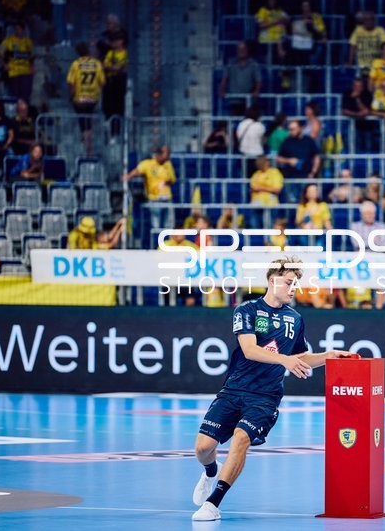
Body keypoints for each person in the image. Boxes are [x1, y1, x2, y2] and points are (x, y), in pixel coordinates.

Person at [190, 256, 355, 521]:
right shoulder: (247, 310)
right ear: (272, 281)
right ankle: (210, 471)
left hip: (265, 397)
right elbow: (250, 349)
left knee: (241, 438)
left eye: (296, 283)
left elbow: (301, 356)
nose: (293, 288)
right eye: (289, 282)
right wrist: (285, 359)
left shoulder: (295, 319)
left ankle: (213, 503)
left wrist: (329, 355)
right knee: (202, 448)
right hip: (234, 390)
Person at [123, 145, 177, 235]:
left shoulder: (168, 164)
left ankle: (168, 244)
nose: (167, 158)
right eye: (166, 155)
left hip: (167, 198)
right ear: (159, 154)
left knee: (169, 225)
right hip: (154, 198)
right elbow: (137, 170)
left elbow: (173, 179)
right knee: (156, 226)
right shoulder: (148, 164)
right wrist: (128, 176)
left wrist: (167, 182)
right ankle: (156, 245)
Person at [66, 42, 105, 155]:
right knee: (89, 123)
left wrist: (71, 96)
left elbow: (71, 83)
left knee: (83, 123)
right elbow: (102, 82)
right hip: (92, 98)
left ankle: (86, 145)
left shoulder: (75, 64)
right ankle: (88, 146)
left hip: (79, 98)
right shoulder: (96, 64)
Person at [276, 119, 320, 202]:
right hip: (291, 178)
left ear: (300, 128)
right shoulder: (287, 142)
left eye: (293, 129)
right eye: (290, 129)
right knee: (292, 202)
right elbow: (279, 158)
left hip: (306, 176)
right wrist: (289, 161)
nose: (291, 131)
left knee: (306, 201)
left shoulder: (309, 141)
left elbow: (316, 157)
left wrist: (313, 172)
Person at [218, 42, 262, 116]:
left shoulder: (254, 65)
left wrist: (257, 91)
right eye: (239, 49)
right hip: (234, 100)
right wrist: (221, 90)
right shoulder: (230, 63)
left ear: (247, 50)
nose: (241, 51)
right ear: (236, 51)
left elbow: (259, 81)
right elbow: (224, 79)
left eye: (243, 49)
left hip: (249, 100)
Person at [0, 20, 34, 102]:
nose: (18, 31)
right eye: (16, 29)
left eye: (20, 29)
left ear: (23, 30)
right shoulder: (8, 41)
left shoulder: (28, 42)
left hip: (25, 72)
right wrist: (4, 65)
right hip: (13, 72)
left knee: (25, 98)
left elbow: (32, 56)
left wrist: (32, 67)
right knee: (15, 97)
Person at [346, 10, 385, 74]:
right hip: (362, 65)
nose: (368, 22)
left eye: (371, 19)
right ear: (363, 21)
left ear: (374, 21)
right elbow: (352, 46)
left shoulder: (380, 30)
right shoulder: (358, 31)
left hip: (377, 65)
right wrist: (350, 62)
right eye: (366, 20)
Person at [102, 34, 127, 138]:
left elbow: (120, 68)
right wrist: (113, 67)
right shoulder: (110, 53)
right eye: (113, 41)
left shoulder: (124, 53)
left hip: (119, 83)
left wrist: (111, 67)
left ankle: (117, 132)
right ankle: (108, 127)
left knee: (118, 108)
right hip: (110, 83)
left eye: (117, 40)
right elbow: (105, 65)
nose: (115, 43)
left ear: (121, 41)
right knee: (108, 106)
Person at [341, 77, 375, 152]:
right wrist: (358, 115)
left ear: (362, 87)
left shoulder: (367, 94)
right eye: (355, 86)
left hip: (367, 126)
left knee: (368, 149)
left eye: (359, 86)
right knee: (353, 148)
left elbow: (366, 111)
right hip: (353, 126)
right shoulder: (347, 94)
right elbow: (344, 111)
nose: (357, 88)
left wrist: (357, 99)